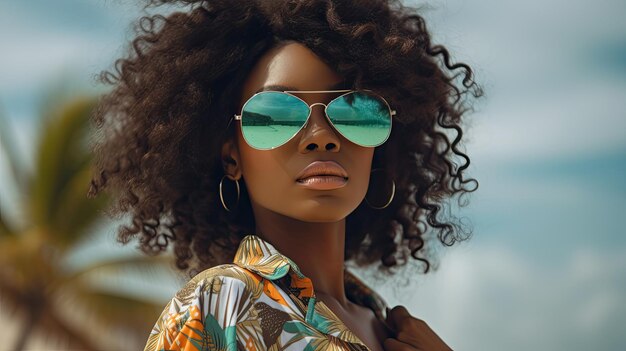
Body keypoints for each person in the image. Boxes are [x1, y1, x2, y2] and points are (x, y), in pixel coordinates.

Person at [87, 0, 482, 350]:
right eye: (275, 115)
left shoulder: (385, 323)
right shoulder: (221, 305)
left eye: (355, 110)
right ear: (231, 157)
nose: (321, 137)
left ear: (380, 145)